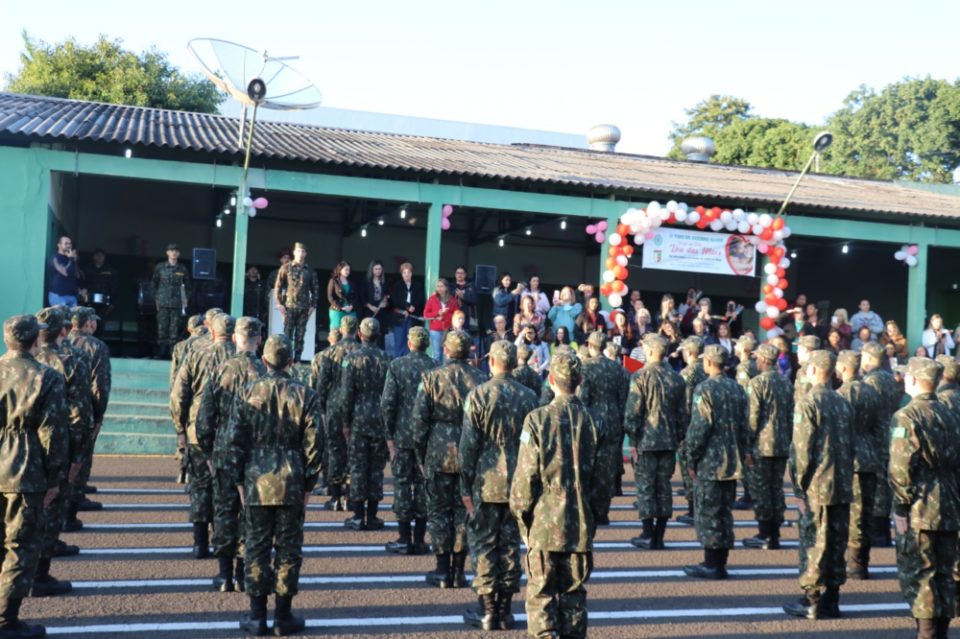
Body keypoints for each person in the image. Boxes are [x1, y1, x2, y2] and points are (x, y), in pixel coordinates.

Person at [224, 334, 322, 636]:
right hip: (291, 480)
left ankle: (257, 616)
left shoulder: (247, 391)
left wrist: (239, 481)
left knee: (256, 547)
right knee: (289, 549)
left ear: (264, 360)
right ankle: (283, 616)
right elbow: (315, 444)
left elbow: (234, 442)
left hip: (256, 479)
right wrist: (308, 485)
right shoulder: (305, 393)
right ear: (291, 361)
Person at [510, 349, 605, 639]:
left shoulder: (537, 420)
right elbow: (601, 480)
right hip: (579, 521)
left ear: (550, 379)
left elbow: (526, 477)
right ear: (581, 381)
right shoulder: (592, 421)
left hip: (544, 519)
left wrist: (520, 515)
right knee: (574, 597)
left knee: (541, 597)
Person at [459, 340, 538, 631]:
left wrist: (464, 487)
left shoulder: (478, 395)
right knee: (509, 547)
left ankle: (488, 609)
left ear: (491, 361)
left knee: (482, 544)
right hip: (519, 482)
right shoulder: (529, 396)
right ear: (515, 362)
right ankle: (505, 610)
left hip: (486, 481)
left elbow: (468, 447)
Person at [0, 315, 66, 638]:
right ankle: (5, 620)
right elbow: (52, 433)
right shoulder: (46, 377)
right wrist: (55, 478)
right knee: (20, 545)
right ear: (35, 341)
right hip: (24, 470)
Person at [890, 357, 960, 639]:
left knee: (921, 574)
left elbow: (901, 467)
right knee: (944, 571)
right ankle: (939, 633)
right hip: (950, 499)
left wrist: (900, 507)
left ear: (915, 380)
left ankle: (928, 634)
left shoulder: (907, 415)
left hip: (921, 503)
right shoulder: (950, 412)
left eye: (908, 375)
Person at [195, 316, 265, 593]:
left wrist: (208, 451)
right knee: (251, 514)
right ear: (259, 340)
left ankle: (224, 575)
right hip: (257, 455)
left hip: (224, 451)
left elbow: (204, 419)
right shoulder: (266, 372)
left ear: (235, 338)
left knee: (224, 512)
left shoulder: (220, 369)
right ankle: (243, 573)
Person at [783, 350, 855, 620]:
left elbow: (802, 452)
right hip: (841, 483)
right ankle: (832, 600)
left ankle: (812, 600)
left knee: (814, 542)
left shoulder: (807, 402)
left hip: (818, 484)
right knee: (836, 543)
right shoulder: (843, 402)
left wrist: (798, 488)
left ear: (812, 371)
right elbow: (850, 445)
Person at [415, 330, 486, 588]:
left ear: (446, 350)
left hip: (439, 449)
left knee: (438, 510)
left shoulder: (432, 378)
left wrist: (420, 454)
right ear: (468, 352)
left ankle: (442, 570)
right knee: (463, 512)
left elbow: (419, 420)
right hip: (470, 449)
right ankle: (458, 570)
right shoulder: (480, 378)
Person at [31, 308, 88, 597]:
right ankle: (39, 575)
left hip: (17, 451)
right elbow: (79, 413)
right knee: (51, 508)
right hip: (56, 443)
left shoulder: (20, 361)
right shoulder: (72, 359)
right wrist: (78, 456)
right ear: (63, 331)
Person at [171, 313, 236, 558]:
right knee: (226, 490)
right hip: (230, 432)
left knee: (200, 487)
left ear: (211, 331)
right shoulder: (239, 359)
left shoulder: (196, 355)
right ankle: (223, 542)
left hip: (197, 430)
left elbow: (178, 396)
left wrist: (180, 429)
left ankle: (199, 543)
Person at [683, 344, 748, 579]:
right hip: (732, 459)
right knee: (724, 512)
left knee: (709, 512)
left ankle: (712, 564)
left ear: (709, 362)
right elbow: (744, 426)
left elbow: (699, 428)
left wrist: (690, 457)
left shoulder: (705, 389)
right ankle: (720, 562)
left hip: (711, 460)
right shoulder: (737, 389)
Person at [625, 333, 686, 550]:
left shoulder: (640, 377)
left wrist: (632, 439)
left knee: (646, 487)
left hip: (646, 441)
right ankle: (659, 536)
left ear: (650, 352)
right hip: (669, 441)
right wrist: (679, 437)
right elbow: (683, 415)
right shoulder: (677, 379)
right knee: (664, 487)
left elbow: (633, 413)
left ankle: (647, 534)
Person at [382, 327, 437, 555]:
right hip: (428, 438)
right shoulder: (435, 367)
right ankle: (420, 538)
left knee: (403, 485)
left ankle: (404, 539)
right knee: (424, 486)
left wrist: (389, 437)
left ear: (410, 342)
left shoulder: (397, 365)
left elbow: (387, 404)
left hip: (403, 436)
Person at [835, 350, 883, 580]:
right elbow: (881, 428)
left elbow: (837, 432)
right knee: (865, 512)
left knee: (851, 513)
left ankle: (854, 563)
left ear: (844, 368)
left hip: (848, 458)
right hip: (870, 456)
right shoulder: (872, 392)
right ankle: (861, 560)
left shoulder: (840, 395)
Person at [339, 318, 390, 531]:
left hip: (358, 419)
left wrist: (345, 422)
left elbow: (346, 394)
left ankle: (358, 516)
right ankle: (373, 515)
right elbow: (390, 395)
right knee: (376, 468)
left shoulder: (351, 358)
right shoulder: (387, 359)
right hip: (379, 418)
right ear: (377, 335)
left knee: (358, 467)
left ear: (360, 334)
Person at [742, 343, 794, 550]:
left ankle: (765, 534)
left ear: (763, 360)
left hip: (762, 444)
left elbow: (753, 418)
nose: (755, 361)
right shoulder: (785, 383)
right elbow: (791, 415)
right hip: (781, 444)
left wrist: (747, 445)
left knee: (761, 490)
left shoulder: (757, 383)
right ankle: (775, 533)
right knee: (776, 488)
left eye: (757, 358)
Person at [64, 306, 111, 523]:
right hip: (84, 411)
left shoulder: (60, 344)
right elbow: (99, 385)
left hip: (58, 412)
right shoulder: (96, 346)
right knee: (81, 457)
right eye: (92, 321)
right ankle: (72, 506)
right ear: (88, 323)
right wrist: (99, 415)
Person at [578, 332, 630, 523]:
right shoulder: (618, 369)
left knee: (588, 465)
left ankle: (588, 509)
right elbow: (624, 400)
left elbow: (583, 398)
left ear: (591, 346)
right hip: (613, 420)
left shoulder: (585, 368)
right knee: (607, 468)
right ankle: (602, 511)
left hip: (591, 420)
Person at [311, 316, 360, 512]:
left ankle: (335, 497)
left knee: (334, 450)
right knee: (353, 452)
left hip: (334, 407)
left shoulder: (330, 353)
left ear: (341, 329)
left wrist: (322, 408)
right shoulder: (361, 352)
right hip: (356, 407)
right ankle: (349, 495)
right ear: (357, 331)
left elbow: (321, 385)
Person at [862, 341, 903, 549]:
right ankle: (883, 531)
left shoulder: (870, 381)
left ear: (869, 358)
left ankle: (878, 533)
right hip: (889, 434)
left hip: (875, 438)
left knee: (877, 486)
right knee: (886, 485)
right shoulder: (889, 379)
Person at [676, 336, 707, 524]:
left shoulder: (688, 373)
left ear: (689, 352)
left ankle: (692, 510)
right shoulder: (706, 369)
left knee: (690, 467)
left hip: (691, 425)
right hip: (706, 423)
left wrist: (681, 429)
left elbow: (686, 403)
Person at [275, 242, 319, 363]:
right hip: (289, 307)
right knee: (287, 335)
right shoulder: (286, 268)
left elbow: (315, 289)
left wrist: (313, 306)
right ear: (294, 252)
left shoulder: (309, 270)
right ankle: (285, 360)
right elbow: (278, 286)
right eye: (299, 251)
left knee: (300, 336)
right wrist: (279, 304)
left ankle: (297, 360)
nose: (301, 254)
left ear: (306, 254)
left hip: (304, 308)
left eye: (303, 251)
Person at [152, 243, 192, 359]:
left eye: (176, 251)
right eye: (171, 250)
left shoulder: (183, 268)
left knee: (174, 330)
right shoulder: (160, 267)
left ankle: (172, 354)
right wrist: (156, 299)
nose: (174, 252)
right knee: (162, 329)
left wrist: (186, 300)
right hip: (162, 303)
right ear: (167, 253)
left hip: (177, 304)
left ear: (179, 254)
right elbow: (154, 283)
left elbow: (188, 286)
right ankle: (161, 352)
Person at [389, 262, 425, 358]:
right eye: (404, 273)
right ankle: (397, 361)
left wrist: (414, 306)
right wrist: (407, 306)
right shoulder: (397, 285)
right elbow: (394, 300)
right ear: (401, 274)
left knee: (411, 340)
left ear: (411, 273)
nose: (406, 275)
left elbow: (421, 299)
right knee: (399, 340)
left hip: (413, 317)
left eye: (408, 272)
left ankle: (409, 360)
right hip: (400, 317)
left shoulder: (418, 285)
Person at [423, 278, 459, 364]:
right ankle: (437, 372)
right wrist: (437, 313)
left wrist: (446, 315)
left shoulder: (452, 300)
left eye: (441, 286)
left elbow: (457, 315)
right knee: (437, 353)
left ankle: (446, 372)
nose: (439, 288)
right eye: (437, 286)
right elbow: (426, 314)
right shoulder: (432, 298)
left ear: (446, 287)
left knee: (447, 353)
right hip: (435, 329)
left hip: (448, 329)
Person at [82, 248, 117, 335]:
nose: (99, 257)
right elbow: (82, 283)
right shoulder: (87, 268)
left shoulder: (110, 270)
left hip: (104, 303)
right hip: (89, 302)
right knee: (88, 324)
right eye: (97, 255)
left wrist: (112, 303)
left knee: (101, 324)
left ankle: (98, 345)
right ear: (94, 257)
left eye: (102, 256)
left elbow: (114, 287)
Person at [359, 260, 391, 350]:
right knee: (369, 334)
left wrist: (386, 302)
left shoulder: (384, 281)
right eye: (376, 269)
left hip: (382, 312)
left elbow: (387, 295)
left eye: (380, 269)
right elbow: (362, 296)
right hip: (370, 311)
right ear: (372, 270)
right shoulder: (366, 281)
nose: (378, 271)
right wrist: (370, 306)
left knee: (380, 336)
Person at [48, 235, 81, 307]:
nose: (69, 245)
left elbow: (77, 275)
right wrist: (71, 259)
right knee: (62, 318)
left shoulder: (70, 258)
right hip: (58, 296)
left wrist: (75, 261)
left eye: (70, 243)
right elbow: (64, 273)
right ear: (59, 245)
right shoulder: (55, 258)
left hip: (72, 296)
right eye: (66, 243)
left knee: (73, 318)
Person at [326, 260, 357, 332]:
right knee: (336, 332)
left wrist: (351, 306)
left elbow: (356, 296)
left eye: (349, 270)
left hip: (350, 311)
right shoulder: (333, 281)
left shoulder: (352, 282)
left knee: (351, 332)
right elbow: (330, 297)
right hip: (337, 311)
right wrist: (341, 307)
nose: (348, 272)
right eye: (346, 270)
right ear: (340, 270)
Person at [451, 266, 478, 331]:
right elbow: (447, 300)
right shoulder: (451, 286)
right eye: (458, 273)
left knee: (467, 335)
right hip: (454, 315)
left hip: (467, 316)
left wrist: (463, 297)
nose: (460, 275)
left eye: (462, 273)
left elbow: (474, 300)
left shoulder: (471, 286)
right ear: (455, 274)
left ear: (465, 275)